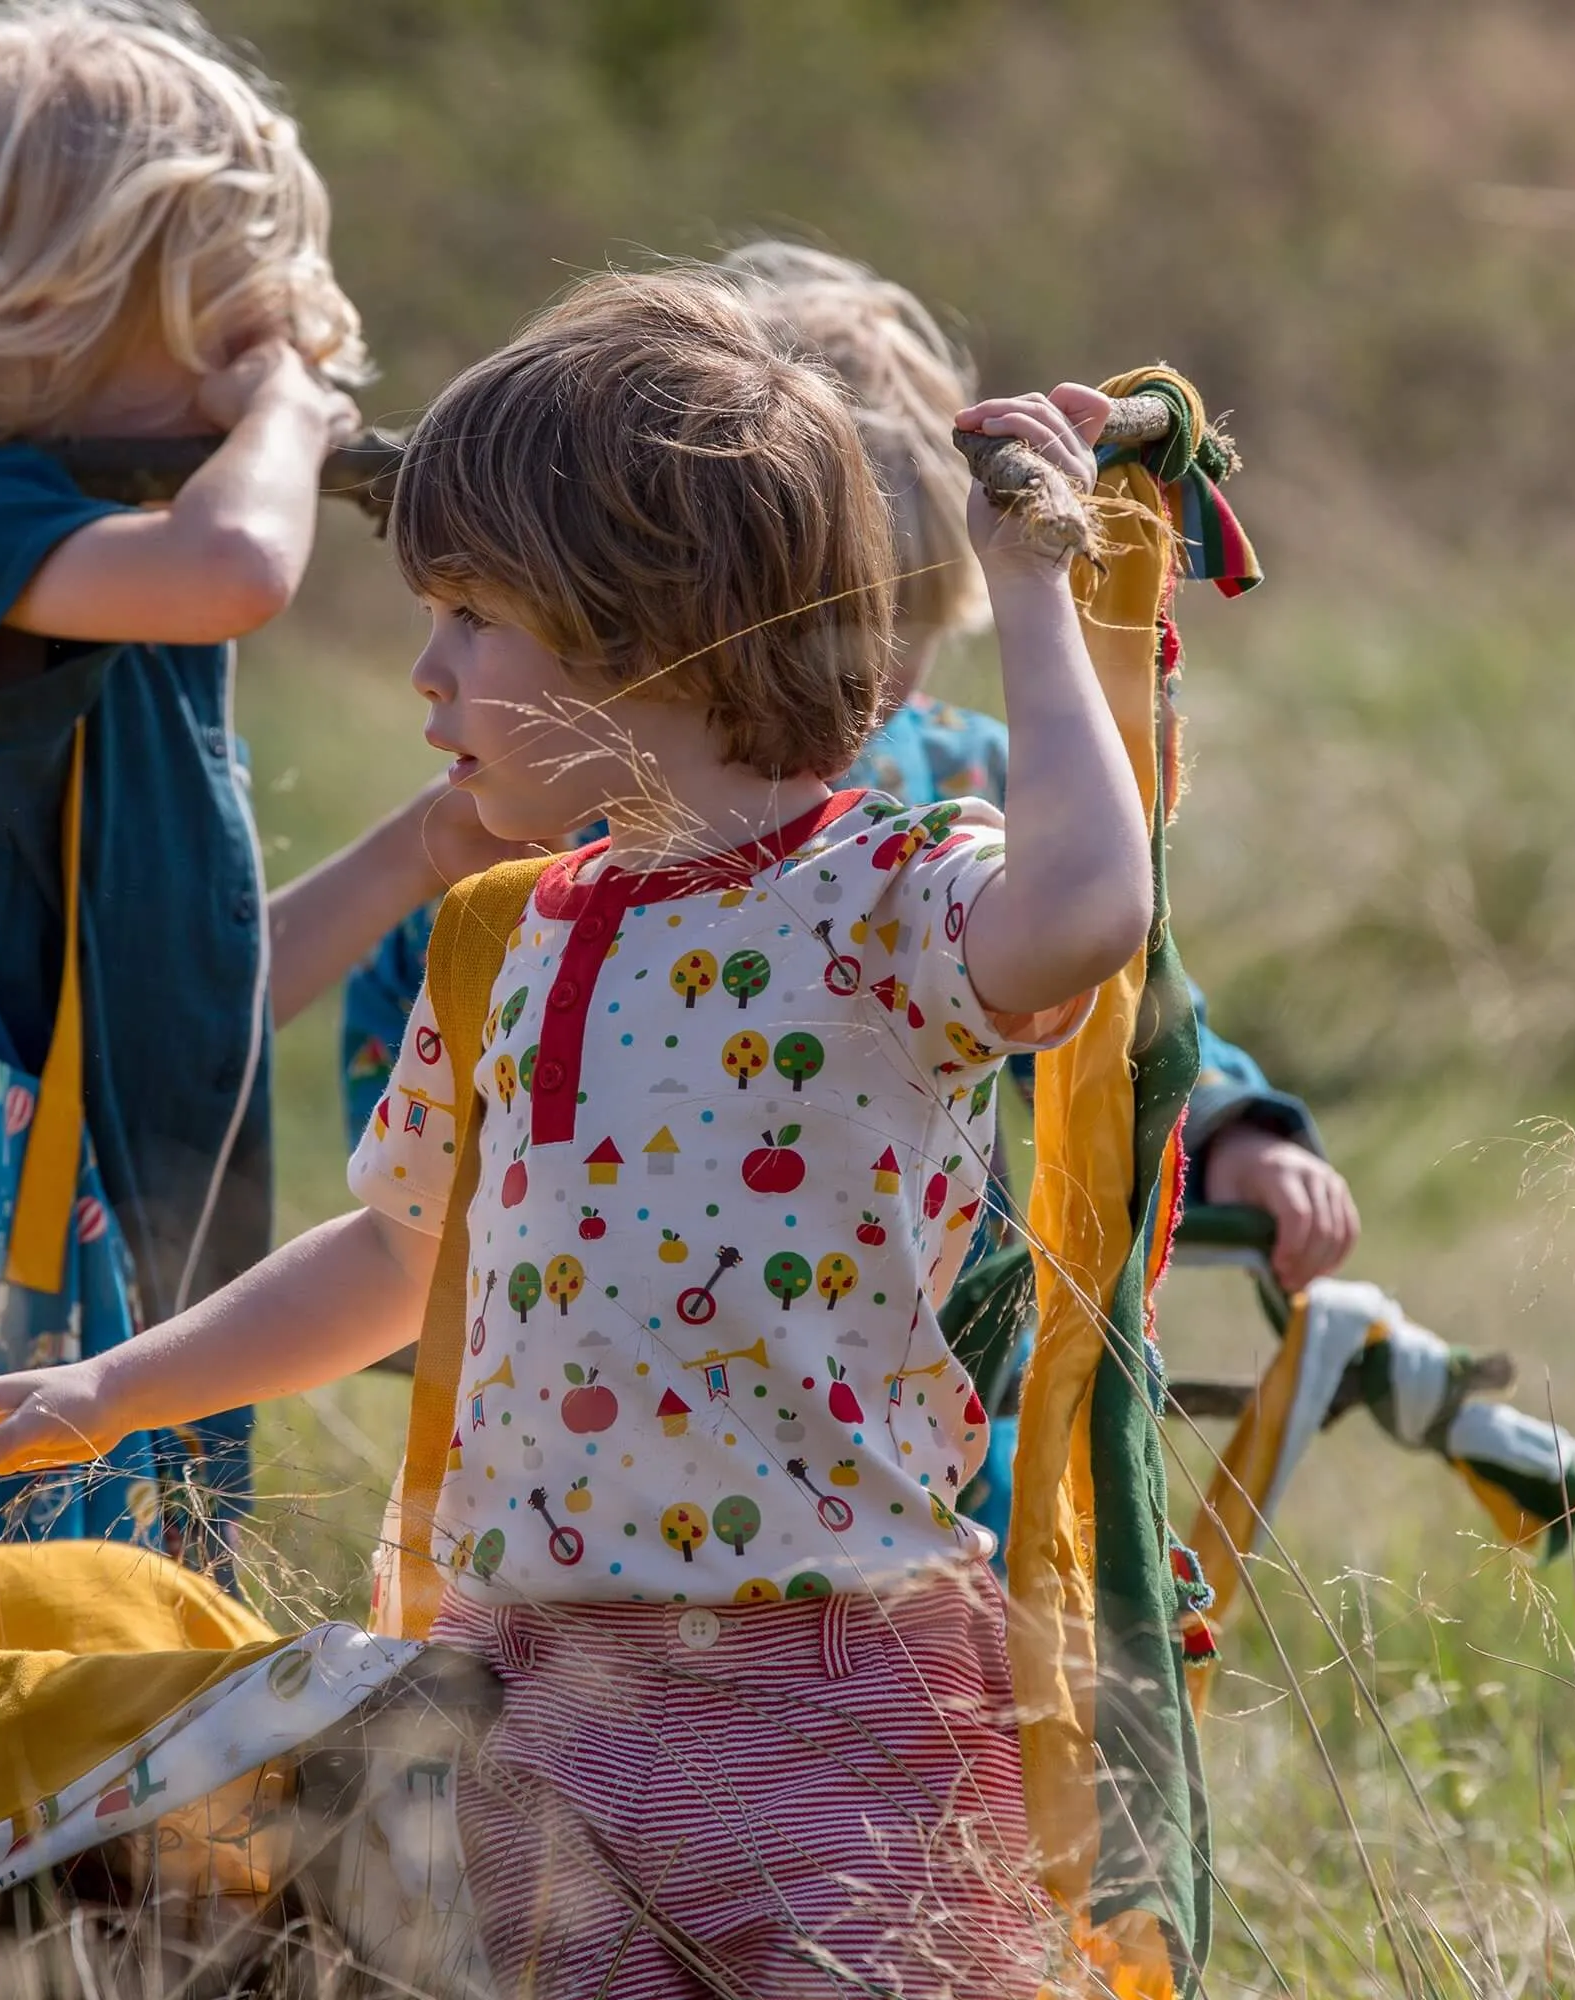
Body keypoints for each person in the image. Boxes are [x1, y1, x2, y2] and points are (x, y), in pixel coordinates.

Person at [0, 267, 1150, 1996]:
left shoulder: (885, 901)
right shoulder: (511, 936)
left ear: (642, 629)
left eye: (475, 617)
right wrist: (109, 1390)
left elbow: (1085, 910)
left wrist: (1035, 590)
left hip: (840, 1707)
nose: (425, 669)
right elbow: (402, 1254)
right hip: (548, 1703)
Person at [342, 240, 1360, 1555]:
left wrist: (1229, 1125)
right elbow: (434, 1178)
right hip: (614, 1495)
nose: (847, 691)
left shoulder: (967, 798)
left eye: (893, 642)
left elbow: (1120, 984)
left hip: (929, 1364)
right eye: (825, 632)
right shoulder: (569, 856)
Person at [0, 0, 506, 1558]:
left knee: (97, 1758)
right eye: (225, 315)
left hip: (113, 1307)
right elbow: (239, 562)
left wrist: (416, 853)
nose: (262, 349)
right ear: (83, 297)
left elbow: (194, 1003)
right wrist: (290, 421)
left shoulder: (126, 614)